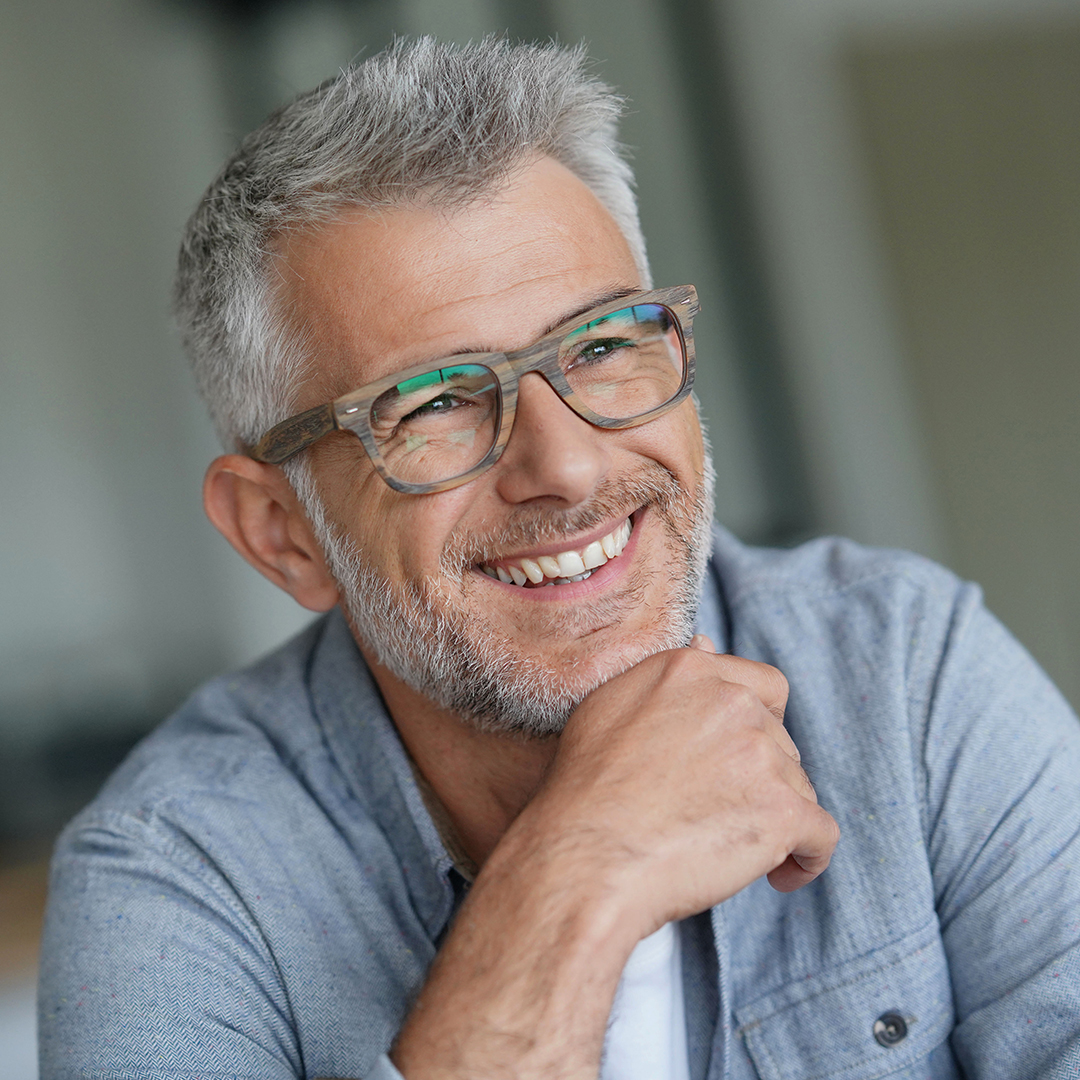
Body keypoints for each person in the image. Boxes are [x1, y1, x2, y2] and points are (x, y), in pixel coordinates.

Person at [39, 37, 1080, 1080]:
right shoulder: (177, 876)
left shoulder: (904, 670)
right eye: (435, 402)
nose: (569, 467)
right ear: (284, 532)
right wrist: (576, 875)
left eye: (602, 344)